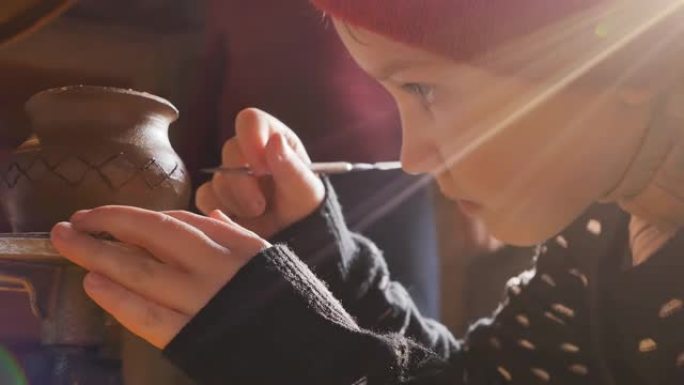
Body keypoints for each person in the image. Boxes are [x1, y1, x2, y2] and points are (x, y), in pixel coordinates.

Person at [48, 0, 684, 384]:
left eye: (425, 90)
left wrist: (297, 359)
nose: (412, 157)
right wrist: (325, 263)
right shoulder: (597, 234)